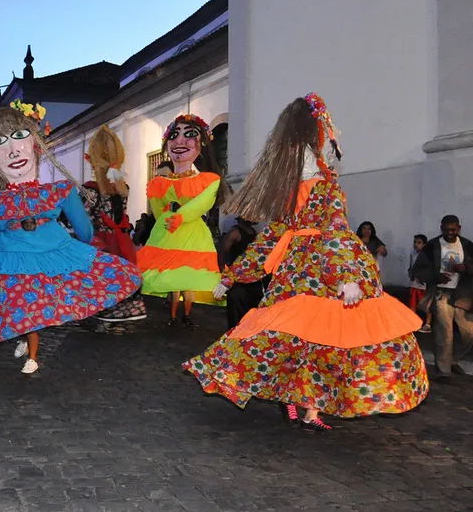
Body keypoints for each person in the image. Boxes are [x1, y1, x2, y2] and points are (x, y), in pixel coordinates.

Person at [184, 92, 428, 432]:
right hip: (310, 272)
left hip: (305, 273)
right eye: (328, 134)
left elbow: (310, 234)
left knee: (309, 340)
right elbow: (323, 233)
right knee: (304, 338)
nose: (333, 139)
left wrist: (234, 275)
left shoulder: (307, 189)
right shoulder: (317, 190)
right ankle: (299, 402)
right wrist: (345, 277)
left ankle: (308, 407)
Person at [0, 100, 142, 374]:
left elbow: (83, 227)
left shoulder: (57, 191)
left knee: (35, 303)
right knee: (21, 303)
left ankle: (31, 351)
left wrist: (87, 242)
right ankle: (28, 343)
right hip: (11, 258)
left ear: (35, 141)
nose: (12, 149)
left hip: (52, 251)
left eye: (20, 136)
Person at [137, 116, 225, 327]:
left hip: (192, 237)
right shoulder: (158, 183)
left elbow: (202, 204)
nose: (180, 141)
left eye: (190, 135)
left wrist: (181, 216)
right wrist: (167, 223)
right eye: (174, 136)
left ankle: (183, 315)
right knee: (172, 281)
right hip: (167, 236)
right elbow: (159, 212)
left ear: (202, 143)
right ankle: (175, 315)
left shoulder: (208, 180)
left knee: (187, 280)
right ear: (166, 144)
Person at [78, 124, 147, 322]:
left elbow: (83, 219)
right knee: (124, 274)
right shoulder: (123, 187)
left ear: (90, 158)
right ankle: (126, 311)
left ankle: (104, 312)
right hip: (123, 241)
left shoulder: (90, 190)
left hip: (101, 243)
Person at [412, 215, 473, 380]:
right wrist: (436, 277)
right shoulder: (432, 246)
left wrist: (465, 268)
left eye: (453, 229)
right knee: (445, 333)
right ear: (441, 228)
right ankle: (443, 370)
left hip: (462, 294)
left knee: (469, 333)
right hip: (441, 293)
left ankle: (453, 359)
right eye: (446, 229)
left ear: (459, 228)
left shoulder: (467, 245)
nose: (449, 233)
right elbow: (418, 270)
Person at [216, 217, 267, 329]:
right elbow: (222, 252)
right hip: (238, 281)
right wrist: (224, 274)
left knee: (251, 315)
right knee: (236, 316)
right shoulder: (235, 232)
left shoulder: (253, 232)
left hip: (253, 281)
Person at [408, 234, 431, 333]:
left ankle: (427, 324)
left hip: (424, 285)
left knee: (427, 306)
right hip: (414, 284)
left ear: (424, 244)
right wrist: (411, 273)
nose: (416, 245)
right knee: (412, 304)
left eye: (419, 243)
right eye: (415, 242)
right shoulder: (412, 255)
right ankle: (412, 323)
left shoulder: (428, 256)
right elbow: (410, 267)